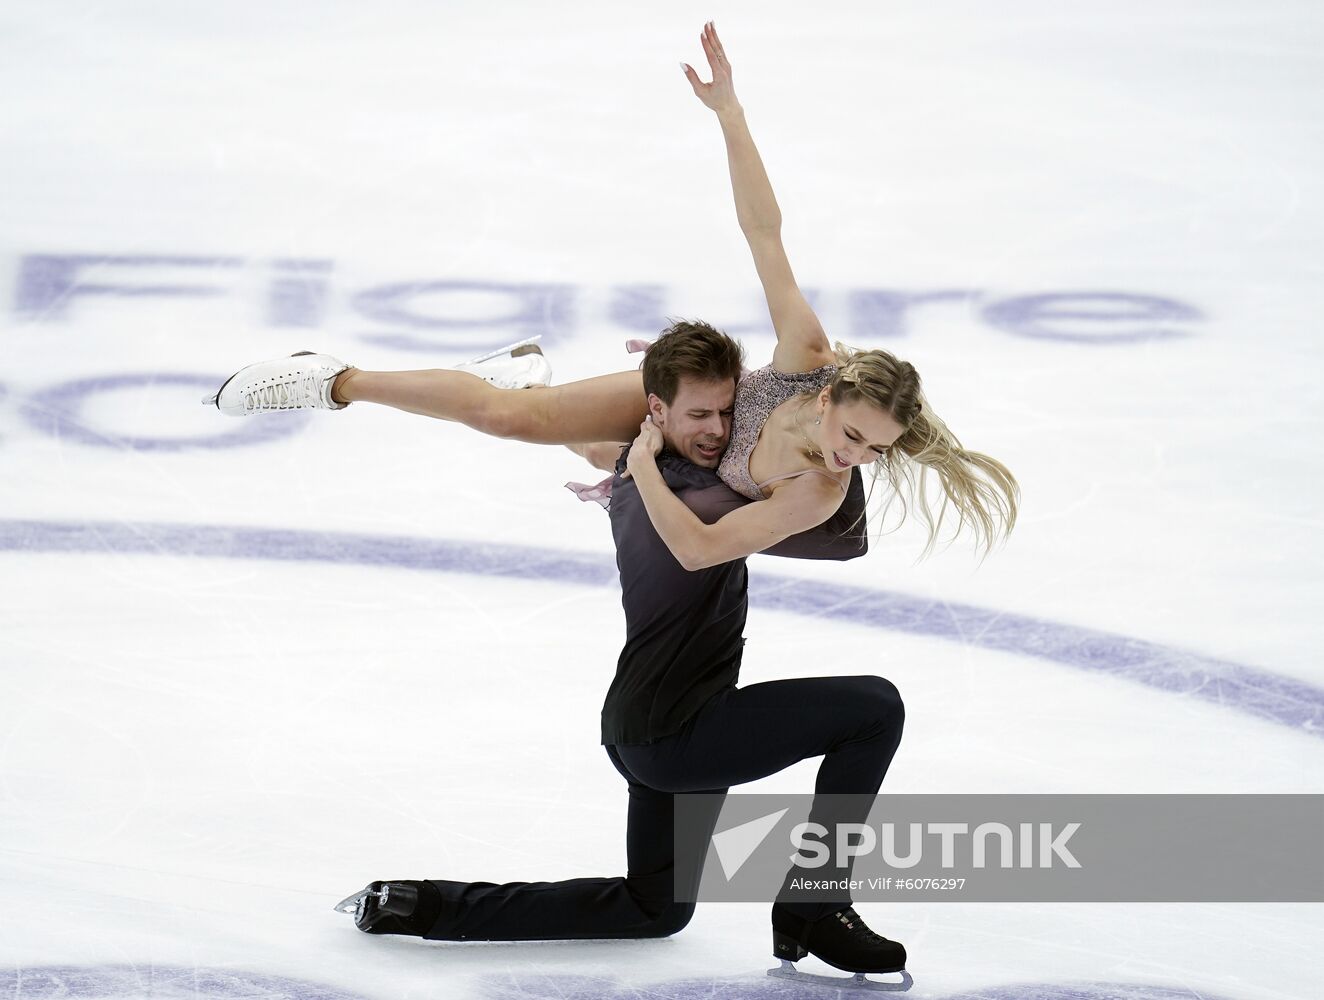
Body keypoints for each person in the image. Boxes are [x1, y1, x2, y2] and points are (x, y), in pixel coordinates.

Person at [206, 22, 1018, 565]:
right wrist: (731, 115)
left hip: (713, 490)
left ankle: (540, 388)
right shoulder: (807, 358)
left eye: (875, 450)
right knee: (506, 420)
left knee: (615, 464)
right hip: (700, 410)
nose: (856, 456)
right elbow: (764, 234)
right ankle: (334, 379)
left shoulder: (819, 490)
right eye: (853, 433)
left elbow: (701, 554)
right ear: (833, 389)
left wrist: (642, 479)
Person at [333, 321, 911, 982]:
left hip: (651, 729)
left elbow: (600, 451)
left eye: (725, 414)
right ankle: (818, 903)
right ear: (657, 413)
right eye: (704, 416)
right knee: (874, 709)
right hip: (678, 733)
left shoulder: (645, 485)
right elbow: (830, 535)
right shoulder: (688, 506)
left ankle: (421, 906)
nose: (723, 430)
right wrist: (823, 402)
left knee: (656, 908)